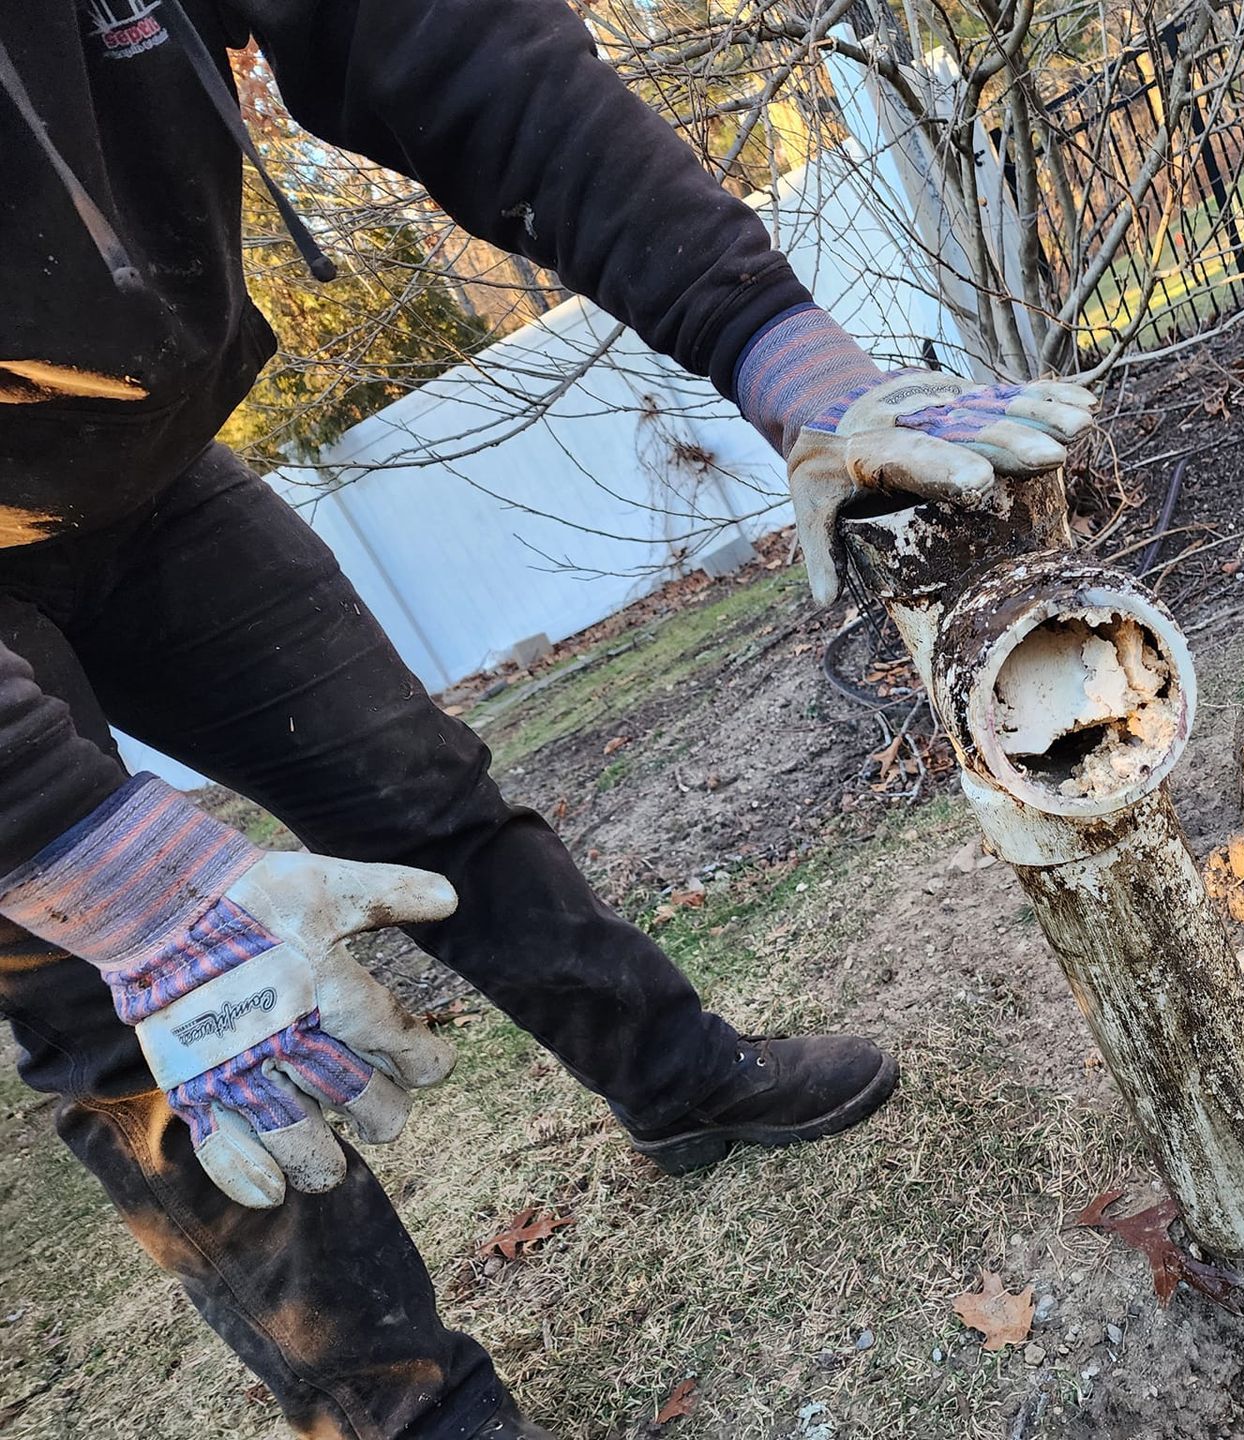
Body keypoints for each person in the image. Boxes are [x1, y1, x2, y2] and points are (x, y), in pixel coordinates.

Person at [0, 2, 1096, 1435]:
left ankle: (676, 1078)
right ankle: (412, 1415)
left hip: (147, 475)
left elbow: (452, 48)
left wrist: (789, 358)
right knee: (148, 1016)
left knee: (418, 789)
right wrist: (92, 868)